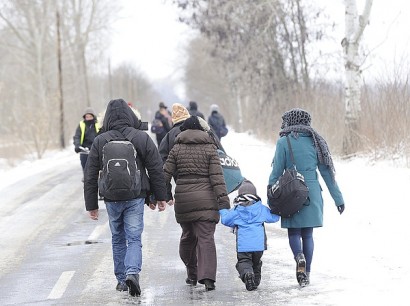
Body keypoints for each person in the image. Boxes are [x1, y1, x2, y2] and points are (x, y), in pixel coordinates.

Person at [83, 98, 167, 296]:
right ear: (130, 115)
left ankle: (121, 280)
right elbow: (155, 168)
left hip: (111, 197)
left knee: (118, 238)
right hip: (135, 196)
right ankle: (132, 273)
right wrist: (160, 196)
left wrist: (91, 205)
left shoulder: (100, 140)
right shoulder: (140, 137)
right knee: (134, 238)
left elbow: (90, 174)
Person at [268, 108, 345, 287]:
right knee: (308, 234)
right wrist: (338, 199)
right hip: (311, 192)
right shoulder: (316, 142)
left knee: (294, 232)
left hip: (290, 191)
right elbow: (328, 173)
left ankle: (298, 257)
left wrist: (271, 192)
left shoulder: (283, 141)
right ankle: (307, 273)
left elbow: (276, 171)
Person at [162, 115, 230, 291]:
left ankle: (192, 273)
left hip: (184, 199)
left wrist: (163, 194)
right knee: (206, 238)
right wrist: (223, 200)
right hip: (207, 197)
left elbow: (165, 175)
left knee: (188, 237)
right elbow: (217, 178)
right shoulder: (210, 148)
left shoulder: (176, 148)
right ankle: (207, 277)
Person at [219, 180, 279, 291]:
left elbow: (225, 220)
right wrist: (276, 206)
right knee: (256, 263)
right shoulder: (261, 208)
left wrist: (222, 209)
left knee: (244, 263)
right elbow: (274, 218)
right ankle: (254, 281)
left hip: (244, 246)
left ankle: (248, 275)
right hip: (259, 246)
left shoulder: (237, 210)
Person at [73, 107, 100, 178]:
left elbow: (102, 135)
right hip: (84, 150)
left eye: (90, 116)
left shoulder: (98, 124)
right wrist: (77, 145)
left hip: (95, 149)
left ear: (93, 116)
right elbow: (77, 136)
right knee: (85, 168)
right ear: (84, 117)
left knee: (97, 168)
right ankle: (86, 178)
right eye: (87, 117)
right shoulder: (81, 125)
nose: (88, 118)